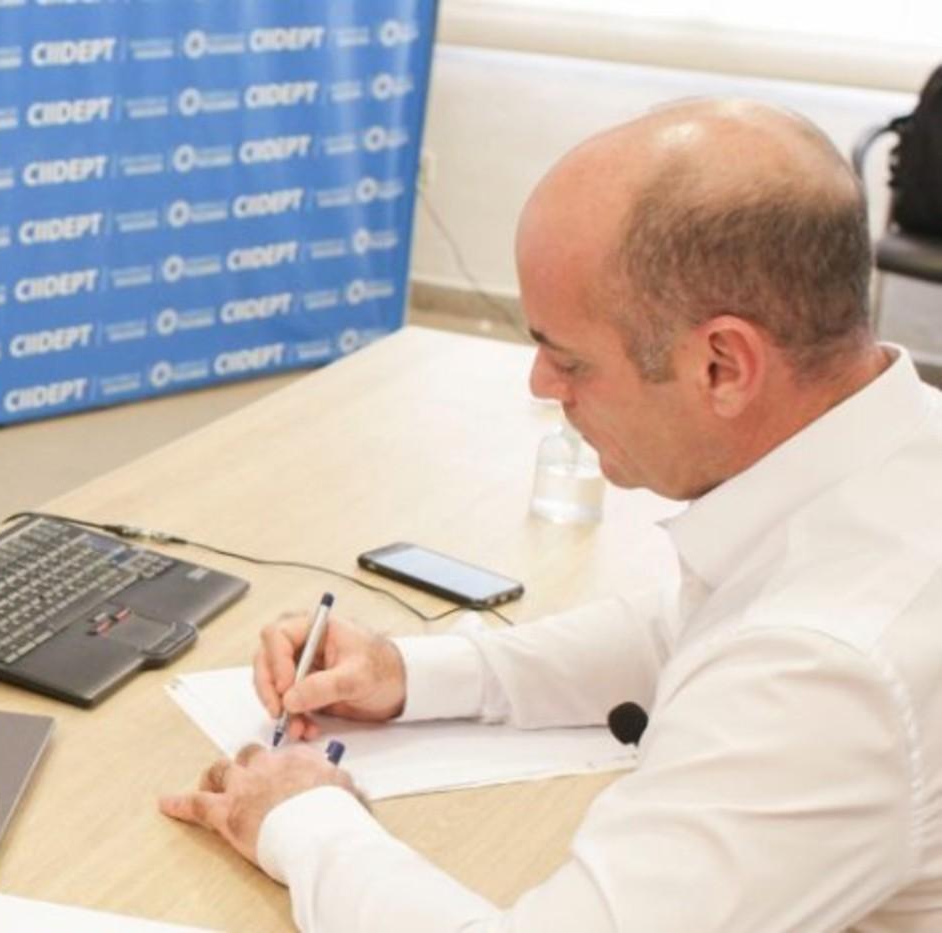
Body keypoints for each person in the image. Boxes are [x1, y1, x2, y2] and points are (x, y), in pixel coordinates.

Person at [159, 98, 942, 930]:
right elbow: (694, 624)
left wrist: (299, 814)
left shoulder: (826, 670)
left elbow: (771, 649)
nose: (541, 386)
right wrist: (412, 674)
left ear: (722, 364)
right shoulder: (895, 449)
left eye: (569, 360)